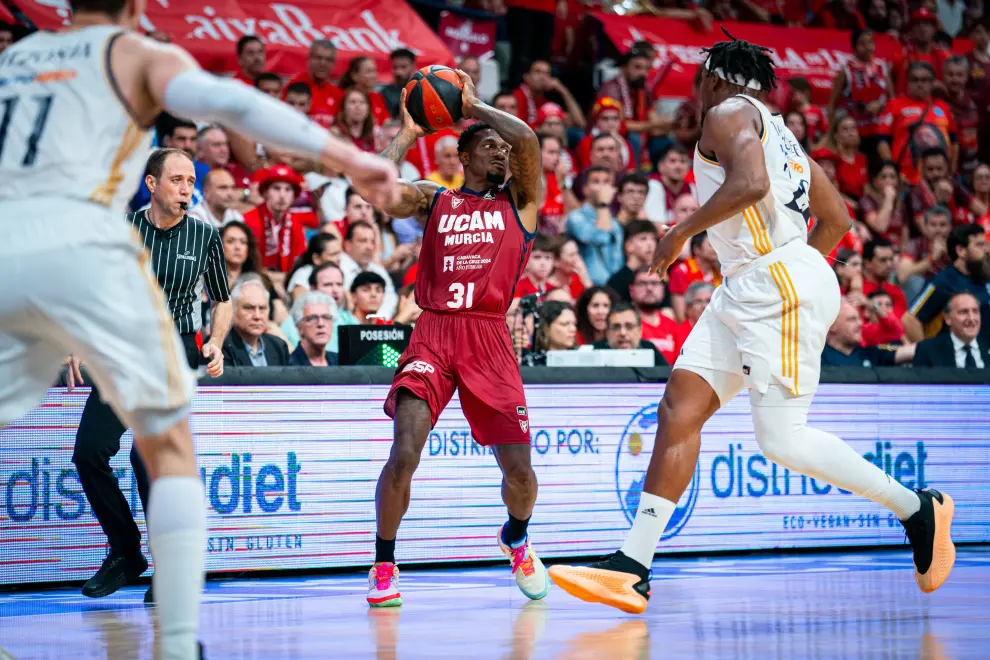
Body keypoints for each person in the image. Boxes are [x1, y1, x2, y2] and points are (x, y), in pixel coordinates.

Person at [0, 0, 398, 655]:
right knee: (168, 448)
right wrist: (349, 160)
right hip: (79, 243)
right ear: (131, 8)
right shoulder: (130, 53)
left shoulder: (15, 60)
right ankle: (179, 643)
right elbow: (231, 103)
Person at [548, 35, 955, 615]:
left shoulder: (727, 112)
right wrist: (796, 264)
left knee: (781, 439)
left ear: (714, 78)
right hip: (751, 284)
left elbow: (751, 186)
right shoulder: (784, 136)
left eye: (698, 80)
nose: (695, 91)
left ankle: (918, 509)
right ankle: (633, 567)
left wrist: (681, 233)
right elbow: (836, 218)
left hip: (771, 283)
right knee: (679, 410)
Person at [369, 71, 549, 607]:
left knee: (520, 474)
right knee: (404, 452)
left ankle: (515, 537)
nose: (502, 153)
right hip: (434, 333)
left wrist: (473, 105)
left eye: (502, 147)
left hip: (489, 339)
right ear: (462, 157)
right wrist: (407, 133)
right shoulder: (435, 201)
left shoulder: (520, 202)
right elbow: (376, 189)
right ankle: (383, 561)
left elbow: (529, 142)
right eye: (489, 146)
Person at [72, 148, 232, 604]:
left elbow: (222, 298)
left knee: (151, 462)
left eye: (189, 181)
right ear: (152, 184)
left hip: (173, 350)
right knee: (89, 453)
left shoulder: (204, 235)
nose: (186, 188)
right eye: (177, 180)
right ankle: (125, 550)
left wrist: (216, 339)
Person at [912, 292, 987, 368]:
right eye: (964, 312)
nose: (971, 318)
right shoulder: (928, 350)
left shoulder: (987, 347)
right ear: (948, 318)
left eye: (975, 311)